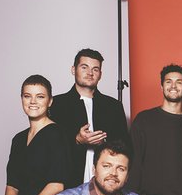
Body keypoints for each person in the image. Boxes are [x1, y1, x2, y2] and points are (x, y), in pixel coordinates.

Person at [49, 48, 129, 187]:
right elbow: (49, 147)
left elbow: (125, 146)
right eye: (84, 67)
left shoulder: (114, 106)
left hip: (106, 184)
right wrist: (77, 140)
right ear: (73, 70)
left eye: (95, 69)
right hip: (66, 183)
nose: (90, 73)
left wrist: (104, 143)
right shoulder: (56, 104)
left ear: (100, 74)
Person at [128, 64, 182, 195]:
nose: (173, 86)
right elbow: (134, 162)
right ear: (161, 86)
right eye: (169, 81)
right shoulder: (144, 120)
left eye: (179, 82)